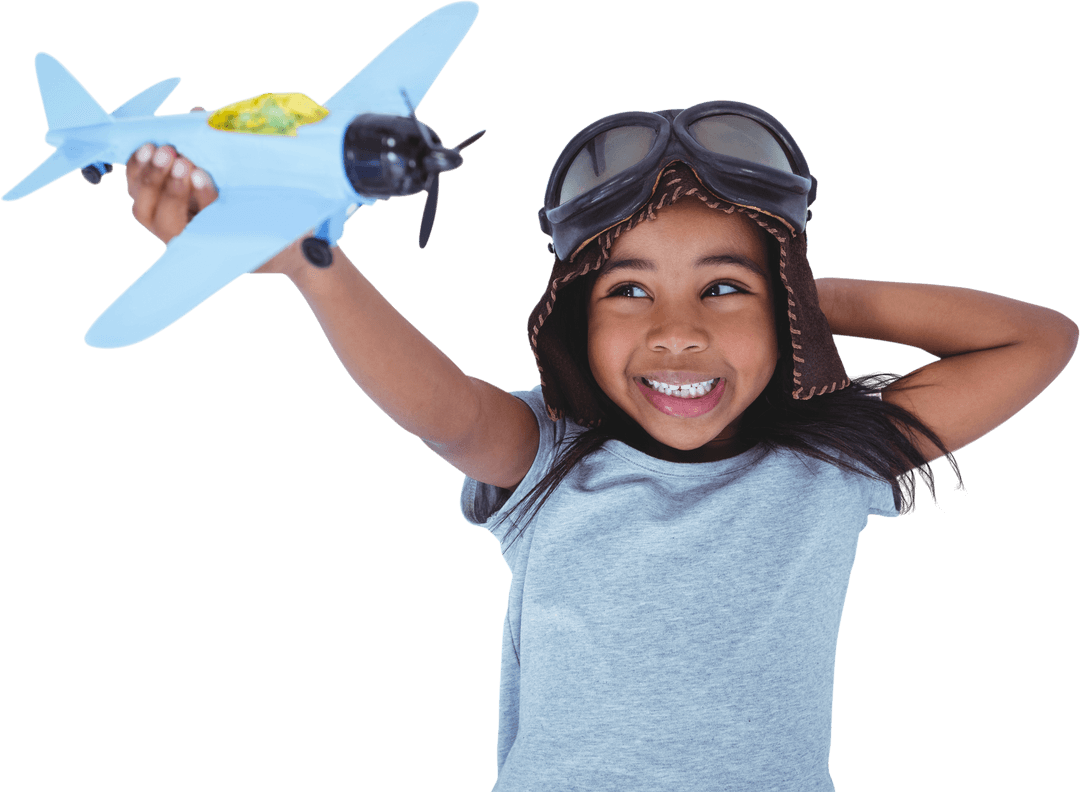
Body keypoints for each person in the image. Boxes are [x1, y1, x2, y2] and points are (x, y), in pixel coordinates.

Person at [125, 101, 1077, 791]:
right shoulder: (550, 457)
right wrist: (313, 266)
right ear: (574, 323)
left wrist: (799, 293)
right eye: (628, 292)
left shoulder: (831, 466)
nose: (677, 333)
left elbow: (1038, 340)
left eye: (722, 289)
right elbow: (444, 411)